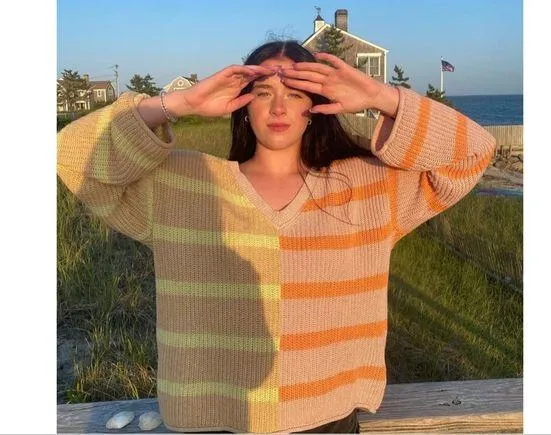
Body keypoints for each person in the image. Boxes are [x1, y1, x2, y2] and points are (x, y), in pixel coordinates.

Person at [57, 40, 496, 433]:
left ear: (318, 105)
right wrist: (178, 103)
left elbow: (473, 152)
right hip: (215, 423)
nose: (279, 108)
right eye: (264, 93)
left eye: (297, 92)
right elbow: (71, 157)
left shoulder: (369, 186)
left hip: (329, 421)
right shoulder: (184, 186)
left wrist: (382, 98)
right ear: (243, 105)